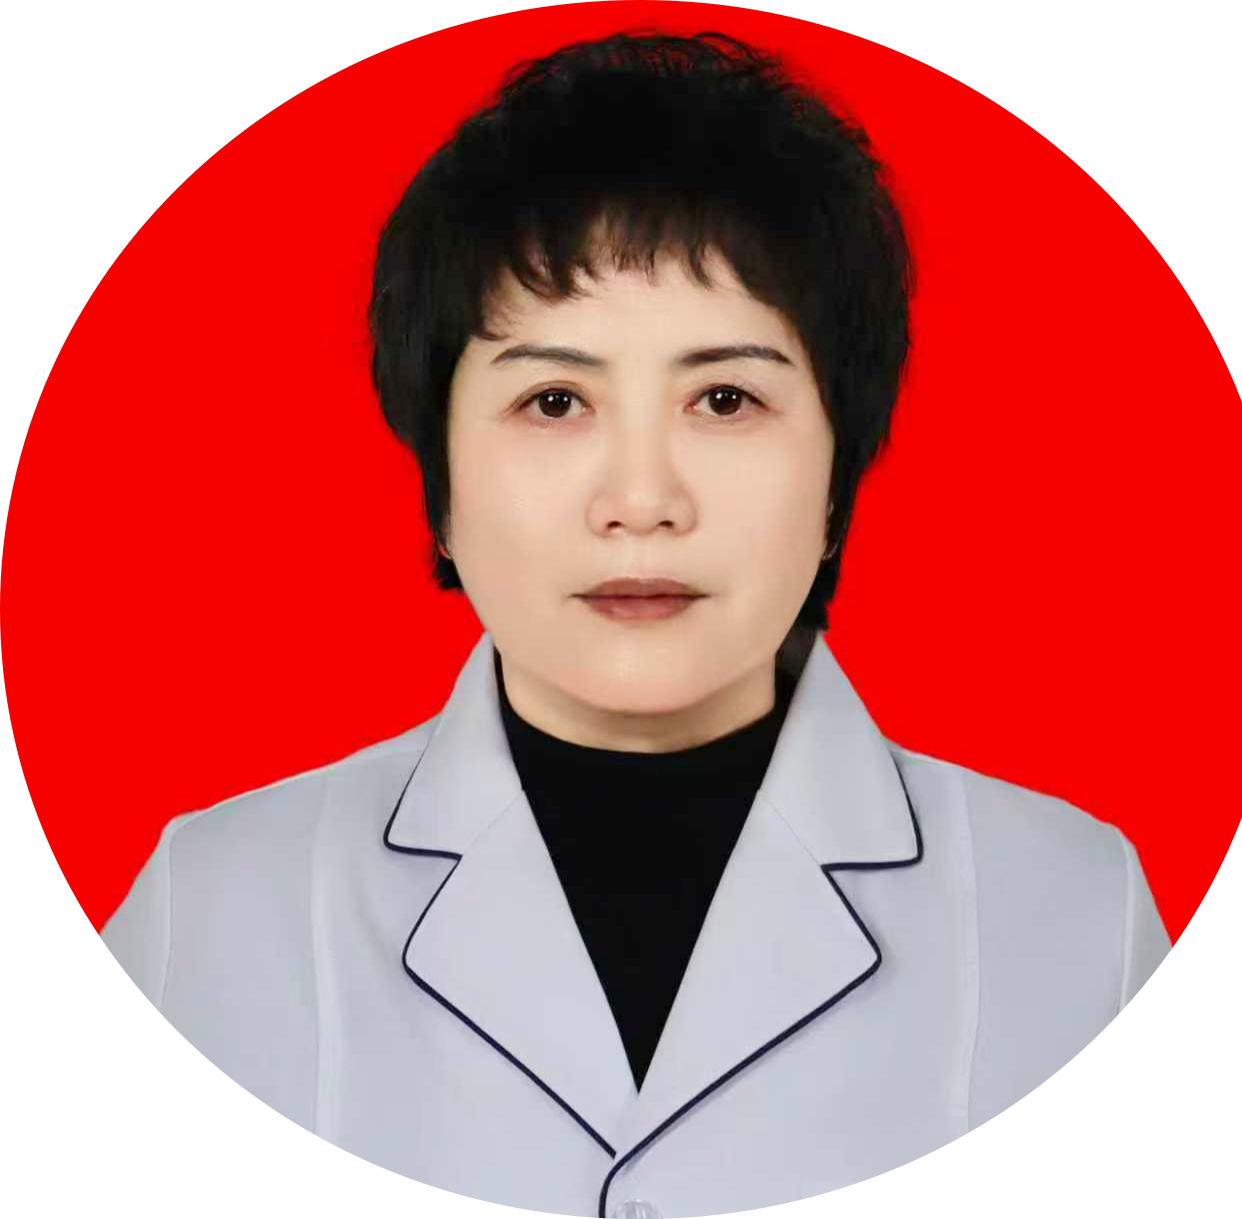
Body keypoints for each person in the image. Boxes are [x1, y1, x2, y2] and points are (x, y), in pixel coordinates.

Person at [100, 28, 1171, 1218]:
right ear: (439, 486)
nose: (642, 500)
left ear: (836, 477)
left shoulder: (1072, 910)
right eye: (554, 400)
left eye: (725, 397)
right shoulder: (215, 906)